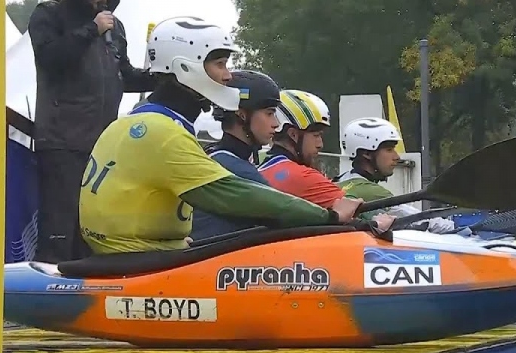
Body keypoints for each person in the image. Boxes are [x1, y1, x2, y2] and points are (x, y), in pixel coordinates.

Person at [78, 16, 393, 254]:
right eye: (219, 63)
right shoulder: (162, 133)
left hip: (143, 253)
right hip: (138, 261)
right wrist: (328, 217)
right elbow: (233, 194)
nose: (228, 75)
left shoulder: (141, 122)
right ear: (185, 67)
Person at [27, 0, 156, 262]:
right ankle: (48, 301)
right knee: (59, 230)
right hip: (62, 141)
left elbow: (124, 76)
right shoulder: (49, 15)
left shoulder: (115, 27)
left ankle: (87, 297)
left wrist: (159, 75)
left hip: (102, 148)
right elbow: (50, 59)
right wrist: (91, 30)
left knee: (94, 228)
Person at [190, 70, 282, 240]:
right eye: (269, 113)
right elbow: (286, 213)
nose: (276, 124)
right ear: (241, 114)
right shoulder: (233, 167)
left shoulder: (214, 154)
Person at [337, 117, 455, 232]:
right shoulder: (368, 190)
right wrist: (457, 226)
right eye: (389, 150)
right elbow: (421, 219)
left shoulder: (339, 181)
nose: (397, 157)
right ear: (367, 153)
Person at [257, 90, 348, 208]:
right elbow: (355, 209)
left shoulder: (260, 169)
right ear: (293, 134)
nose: (320, 144)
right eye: (316, 135)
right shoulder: (304, 177)